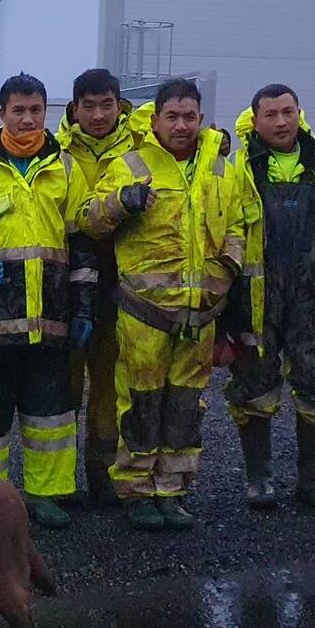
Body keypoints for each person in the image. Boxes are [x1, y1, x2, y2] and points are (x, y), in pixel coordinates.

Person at [82, 78, 243, 531]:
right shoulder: (129, 164)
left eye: (189, 116)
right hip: (145, 312)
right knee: (140, 403)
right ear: (153, 120)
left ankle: (172, 490)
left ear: (201, 119)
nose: (181, 125)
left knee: (186, 407)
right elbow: (88, 220)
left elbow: (239, 223)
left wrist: (226, 270)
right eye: (171, 116)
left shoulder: (223, 169)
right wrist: (121, 202)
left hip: (201, 313)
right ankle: (136, 491)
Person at [0, 72, 95, 530]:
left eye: (35, 110)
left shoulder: (66, 168)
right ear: (2, 114)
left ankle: (45, 495)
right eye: (18, 111)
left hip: (51, 317)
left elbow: (81, 242)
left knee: (50, 415)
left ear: (47, 112)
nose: (28, 119)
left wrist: (83, 305)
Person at [221, 84, 315, 513]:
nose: (281, 122)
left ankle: (312, 480)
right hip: (257, 297)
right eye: (271, 115)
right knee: (253, 387)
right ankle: (259, 478)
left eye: (287, 112)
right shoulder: (237, 168)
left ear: (300, 113)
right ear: (255, 120)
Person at [58, 68, 137, 507]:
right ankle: (60, 476)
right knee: (64, 384)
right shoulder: (59, 152)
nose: (98, 114)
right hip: (68, 284)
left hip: (119, 279)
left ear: (119, 105)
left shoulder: (141, 151)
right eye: (88, 105)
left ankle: (104, 473)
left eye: (106, 104)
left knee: (110, 383)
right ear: (75, 109)